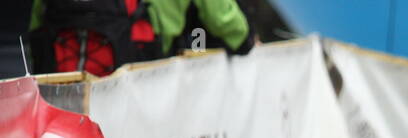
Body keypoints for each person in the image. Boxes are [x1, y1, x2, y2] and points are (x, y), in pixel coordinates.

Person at [29, 0, 252, 76]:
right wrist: (244, 39)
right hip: (146, 58)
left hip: (58, 67)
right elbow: (220, 15)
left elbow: (38, 16)